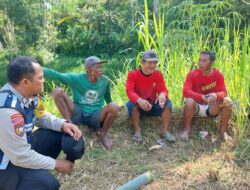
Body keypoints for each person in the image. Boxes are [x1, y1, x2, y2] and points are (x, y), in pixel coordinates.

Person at [0, 56, 85, 190]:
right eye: (40, 78)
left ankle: (36, 173)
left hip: (21, 148)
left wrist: (63, 124)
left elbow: (42, 117)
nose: (43, 80)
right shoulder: (8, 112)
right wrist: (55, 163)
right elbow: (20, 156)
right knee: (48, 185)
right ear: (26, 82)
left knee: (67, 134)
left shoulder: (28, 95)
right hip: (6, 163)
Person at [43, 56, 119, 149]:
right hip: (78, 112)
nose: (101, 70)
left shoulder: (105, 80)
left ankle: (102, 134)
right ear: (89, 70)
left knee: (113, 106)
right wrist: (35, 68)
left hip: (95, 115)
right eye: (98, 67)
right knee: (57, 91)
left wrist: (113, 107)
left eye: (101, 67)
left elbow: (108, 97)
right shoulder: (76, 79)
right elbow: (57, 75)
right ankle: (69, 124)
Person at [180, 51, 233, 141]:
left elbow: (224, 92)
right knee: (189, 101)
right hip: (196, 107)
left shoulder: (218, 75)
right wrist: (202, 97)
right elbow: (186, 92)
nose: (200, 63)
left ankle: (223, 131)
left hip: (212, 108)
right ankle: (186, 130)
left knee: (228, 101)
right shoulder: (192, 74)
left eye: (204, 61)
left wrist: (215, 95)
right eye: (200, 60)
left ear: (212, 63)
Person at [126, 50, 175, 143]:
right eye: (150, 63)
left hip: (152, 105)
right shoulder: (133, 74)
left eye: (155, 62)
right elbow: (129, 91)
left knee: (168, 103)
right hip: (139, 106)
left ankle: (164, 131)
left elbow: (163, 89)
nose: (153, 65)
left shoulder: (158, 74)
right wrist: (139, 100)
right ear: (142, 63)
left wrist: (162, 95)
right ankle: (137, 131)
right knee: (131, 104)